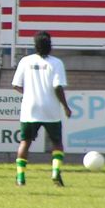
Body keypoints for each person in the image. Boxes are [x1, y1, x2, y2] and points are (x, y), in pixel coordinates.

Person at [12, 31, 72, 187]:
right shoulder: (56, 63)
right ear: (50, 45)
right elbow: (57, 87)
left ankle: (20, 177)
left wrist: (30, 93)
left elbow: (16, 84)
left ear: (35, 45)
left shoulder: (25, 61)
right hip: (50, 108)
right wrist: (65, 106)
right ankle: (55, 172)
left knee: (25, 142)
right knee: (57, 142)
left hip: (30, 108)